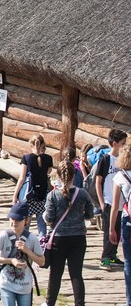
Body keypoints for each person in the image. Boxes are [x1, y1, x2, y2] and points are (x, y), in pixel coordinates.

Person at [44, 160, 95, 306]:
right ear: (75, 174)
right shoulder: (83, 193)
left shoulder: (53, 195)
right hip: (78, 237)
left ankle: (50, 303)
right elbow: (90, 215)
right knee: (76, 274)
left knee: (55, 274)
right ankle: (80, 304)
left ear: (58, 176)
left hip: (59, 238)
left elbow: (49, 219)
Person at [0, 201, 46, 306]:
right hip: (6, 284)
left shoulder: (32, 238)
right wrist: (11, 261)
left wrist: (27, 250)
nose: (14, 222)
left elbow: (42, 262)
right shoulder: (3, 236)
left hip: (25, 287)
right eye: (12, 218)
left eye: (18, 219)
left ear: (26, 221)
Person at [96, 128, 128, 271]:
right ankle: (105, 258)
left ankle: (112, 255)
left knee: (117, 230)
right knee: (109, 230)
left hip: (122, 202)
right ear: (115, 144)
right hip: (109, 200)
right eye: (123, 143)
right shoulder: (106, 159)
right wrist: (101, 202)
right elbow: (98, 182)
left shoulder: (124, 161)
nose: (125, 145)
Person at [12, 133, 53, 237]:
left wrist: (15, 195)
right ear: (43, 144)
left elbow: (22, 178)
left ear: (31, 144)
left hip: (29, 193)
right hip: (43, 192)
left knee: (26, 222)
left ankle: (24, 242)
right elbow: (48, 172)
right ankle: (42, 243)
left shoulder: (26, 158)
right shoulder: (48, 158)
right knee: (41, 222)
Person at [107, 143, 131, 303]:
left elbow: (115, 206)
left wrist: (111, 229)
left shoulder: (120, 176)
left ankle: (130, 300)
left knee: (129, 261)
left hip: (128, 220)